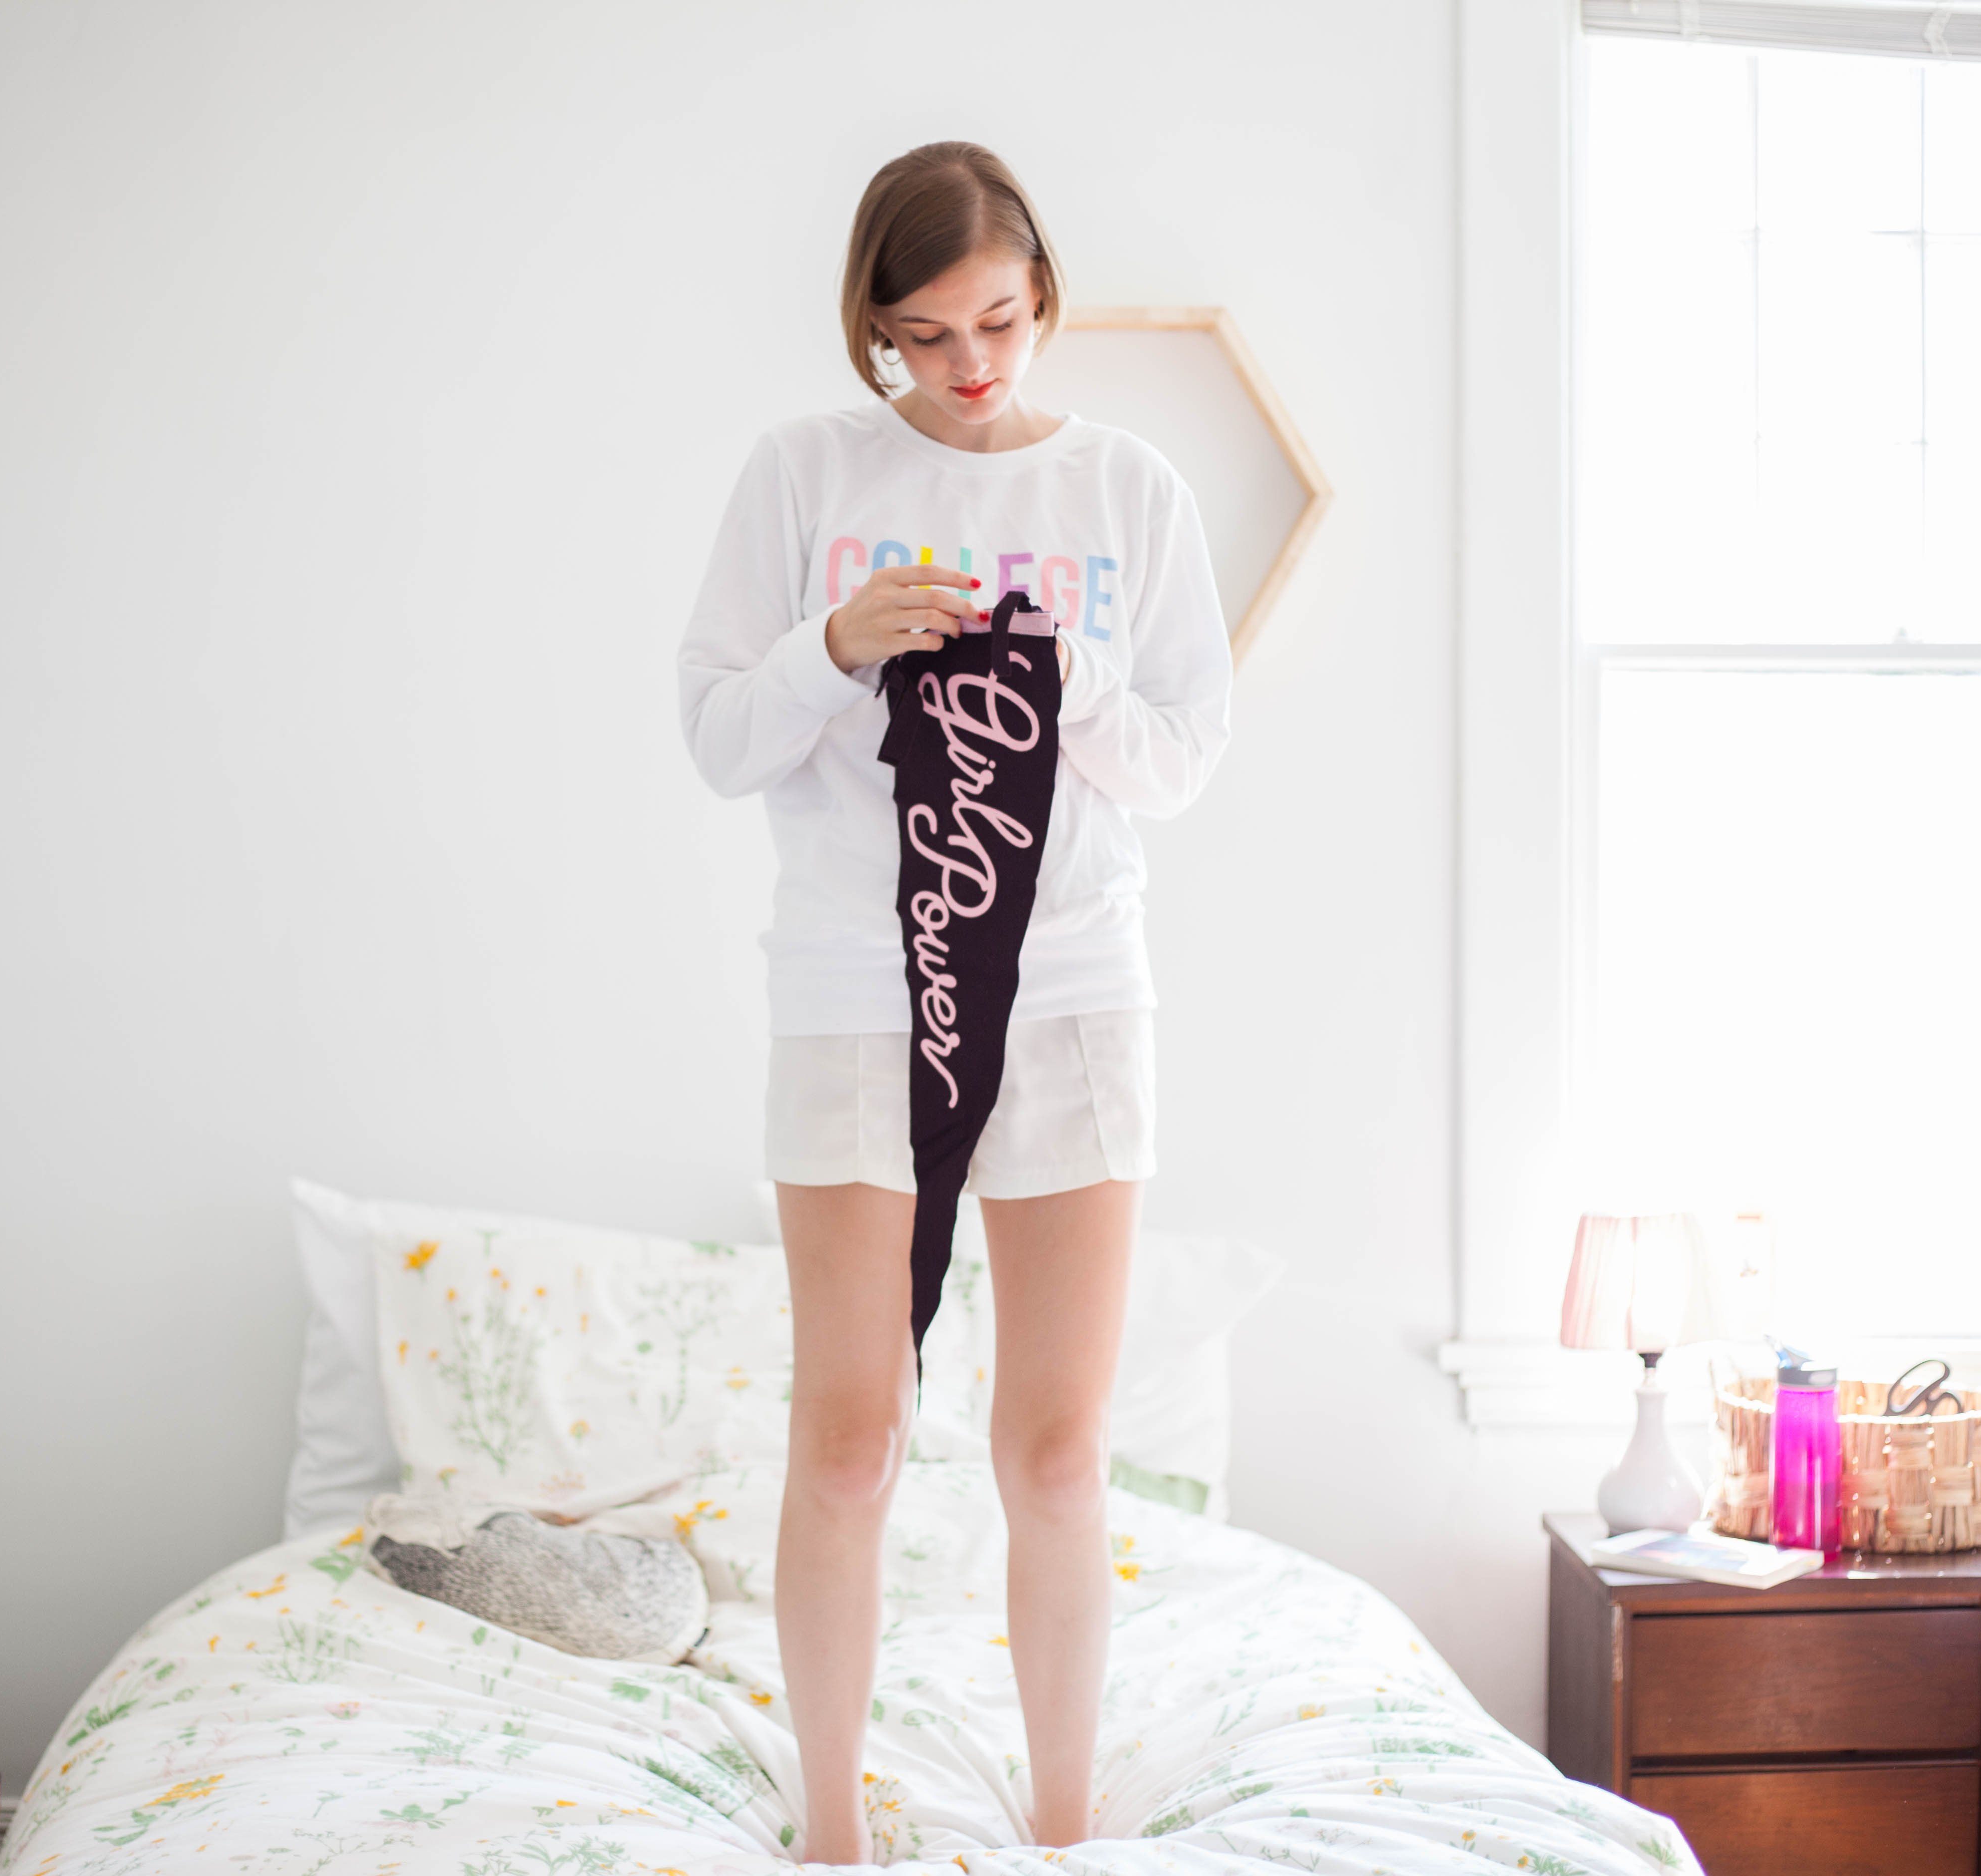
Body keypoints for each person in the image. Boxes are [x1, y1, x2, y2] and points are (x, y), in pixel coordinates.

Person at [673, 141, 1232, 1860]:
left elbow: (1183, 762)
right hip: (853, 996)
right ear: (875, 336)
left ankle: (1064, 1826)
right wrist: (838, 644)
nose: (971, 366)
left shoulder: (1131, 490)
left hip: (1070, 994)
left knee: (1057, 1456)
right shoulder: (800, 473)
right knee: (850, 1445)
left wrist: (1056, 686)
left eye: (997, 320)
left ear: (1044, 294)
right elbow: (714, 738)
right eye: (924, 336)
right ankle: (833, 1827)